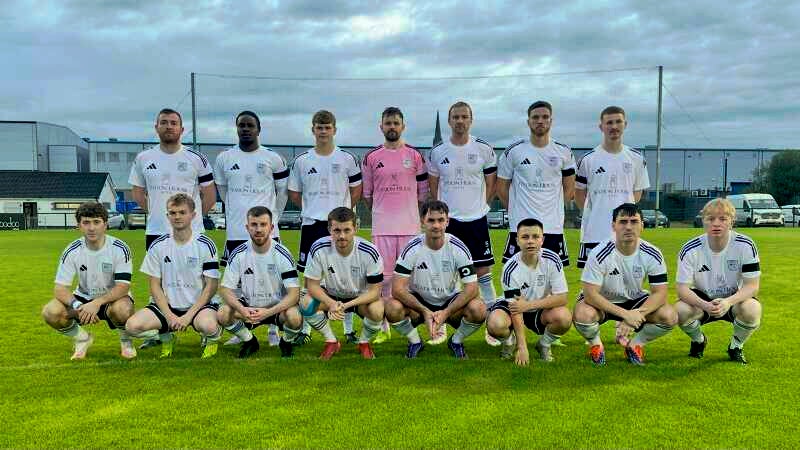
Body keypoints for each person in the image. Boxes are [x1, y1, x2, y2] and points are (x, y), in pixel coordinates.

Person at [214, 110, 290, 347]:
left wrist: (273, 217)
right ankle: (244, 332)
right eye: (241, 125)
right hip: (237, 232)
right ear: (236, 129)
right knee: (237, 285)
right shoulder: (224, 158)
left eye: (250, 125)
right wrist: (238, 214)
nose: (245, 129)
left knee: (271, 281)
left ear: (258, 129)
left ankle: (273, 329)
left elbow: (283, 192)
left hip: (267, 233)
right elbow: (224, 192)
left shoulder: (273, 158)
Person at [427, 101, 497, 345]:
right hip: (450, 223)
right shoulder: (438, 151)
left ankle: (493, 324)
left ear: (471, 119)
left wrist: (481, 207)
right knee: (446, 273)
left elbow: (492, 181)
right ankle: (441, 324)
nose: (459, 121)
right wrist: (443, 214)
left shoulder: (484, 149)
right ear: (449, 121)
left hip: (476, 221)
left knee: (483, 273)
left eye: (464, 117)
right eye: (455, 117)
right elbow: (434, 186)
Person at [288, 110, 362, 341]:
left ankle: (348, 330)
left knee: (346, 275)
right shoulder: (302, 161)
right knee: (311, 278)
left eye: (327, 127)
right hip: (312, 225)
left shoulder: (347, 159)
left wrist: (342, 214)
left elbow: (356, 189)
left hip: (339, 227)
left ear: (334, 130)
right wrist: (314, 209)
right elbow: (294, 193)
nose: (323, 131)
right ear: (313, 130)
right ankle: (308, 330)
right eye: (319, 127)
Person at [573, 203, 677, 365]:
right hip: (602, 301)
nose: (628, 227)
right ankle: (596, 345)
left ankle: (635, 345)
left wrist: (636, 315)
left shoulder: (652, 253)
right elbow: (590, 294)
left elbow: (660, 293)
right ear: (613, 226)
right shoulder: (599, 253)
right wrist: (625, 314)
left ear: (642, 226)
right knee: (582, 315)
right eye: (623, 222)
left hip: (634, 299)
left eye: (634, 221)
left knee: (669, 316)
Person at [124, 193, 222, 358]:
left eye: (182, 212)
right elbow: (154, 285)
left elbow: (211, 286)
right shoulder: (157, 245)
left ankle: (211, 340)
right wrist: (169, 316)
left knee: (209, 326)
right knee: (132, 327)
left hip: (198, 307)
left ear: (193, 215)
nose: (177, 217)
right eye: (173, 213)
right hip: (167, 307)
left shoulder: (205, 244)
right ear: (167, 216)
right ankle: (167, 337)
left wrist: (188, 316)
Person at [384, 200, 485, 359]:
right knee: (391, 307)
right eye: (431, 220)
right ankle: (415, 341)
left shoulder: (458, 247)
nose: (436, 225)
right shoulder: (412, 248)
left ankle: (456, 341)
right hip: (418, 303)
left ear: (447, 222)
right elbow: (397, 288)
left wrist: (446, 312)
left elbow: (472, 288)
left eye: (440, 220)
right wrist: (424, 311)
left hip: (450, 302)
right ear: (422, 221)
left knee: (478, 309)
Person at [361, 106, 428, 344]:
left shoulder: (416, 156)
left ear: (403, 126)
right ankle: (382, 327)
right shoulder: (371, 157)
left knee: (416, 279)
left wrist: (408, 212)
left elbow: (422, 194)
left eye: (396, 123)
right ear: (381, 127)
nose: (392, 127)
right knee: (383, 281)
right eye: (387, 123)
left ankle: (429, 325)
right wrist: (384, 212)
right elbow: (367, 195)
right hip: (383, 229)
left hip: (410, 229)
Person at [41, 202, 136, 360]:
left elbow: (123, 287)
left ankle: (126, 341)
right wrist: (78, 305)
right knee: (50, 312)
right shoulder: (72, 250)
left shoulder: (120, 248)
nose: (91, 228)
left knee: (123, 310)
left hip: (113, 298)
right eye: (86, 222)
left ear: (105, 225)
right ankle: (82, 339)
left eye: (96, 222)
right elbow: (60, 289)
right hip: (83, 299)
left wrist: (96, 303)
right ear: (79, 225)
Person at [676, 198, 761, 364]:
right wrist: (706, 305)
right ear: (703, 221)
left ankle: (736, 346)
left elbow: (752, 286)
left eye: (723, 219)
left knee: (752, 309)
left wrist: (728, 302)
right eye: (710, 219)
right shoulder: (690, 249)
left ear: (732, 222)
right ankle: (699, 340)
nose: (716, 223)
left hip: (733, 298)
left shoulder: (745, 245)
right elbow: (682, 289)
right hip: (702, 299)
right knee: (679, 310)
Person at [216, 206, 304, 358]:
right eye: (254, 225)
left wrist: (268, 312)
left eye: (263, 224)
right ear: (247, 227)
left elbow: (294, 294)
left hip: (276, 307)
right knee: (223, 313)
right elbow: (224, 289)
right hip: (249, 307)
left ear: (271, 228)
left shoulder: (282, 254)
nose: (258, 229)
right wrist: (242, 309)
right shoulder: (238, 253)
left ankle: (286, 341)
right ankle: (250, 341)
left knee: (295, 317)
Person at [497, 100, 576, 266]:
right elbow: (501, 188)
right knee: (516, 277)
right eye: (536, 117)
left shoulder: (564, 152)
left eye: (545, 117)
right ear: (528, 121)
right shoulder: (514, 151)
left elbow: (569, 189)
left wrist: (554, 210)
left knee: (552, 281)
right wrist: (515, 211)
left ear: (551, 121)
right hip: (520, 227)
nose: (540, 121)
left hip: (552, 227)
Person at [299, 207, 385, 360]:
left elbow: (375, 292)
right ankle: (331, 341)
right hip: (331, 294)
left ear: (355, 228)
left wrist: (344, 305)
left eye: (347, 230)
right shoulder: (318, 247)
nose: (342, 236)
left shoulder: (369, 251)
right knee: (306, 303)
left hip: (360, 298)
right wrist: (331, 303)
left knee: (377, 309)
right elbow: (312, 285)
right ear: (329, 229)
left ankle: (364, 342)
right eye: (336, 230)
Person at [485, 218, 571, 366]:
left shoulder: (553, 259)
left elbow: (562, 298)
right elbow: (516, 309)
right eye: (525, 237)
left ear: (542, 239)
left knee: (564, 318)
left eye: (535, 237)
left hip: (536, 307)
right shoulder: (510, 269)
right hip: (512, 308)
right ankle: (509, 342)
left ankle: (543, 344)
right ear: (517, 240)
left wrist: (529, 305)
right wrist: (522, 346)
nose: (530, 241)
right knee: (495, 324)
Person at [129, 108, 216, 251]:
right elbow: (137, 194)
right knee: (156, 274)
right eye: (164, 122)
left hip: (191, 232)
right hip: (156, 232)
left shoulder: (197, 158)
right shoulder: (143, 158)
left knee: (192, 273)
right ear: (156, 128)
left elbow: (210, 196)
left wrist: (193, 218)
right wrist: (155, 212)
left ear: (181, 129)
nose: (169, 126)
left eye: (173, 123)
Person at [574, 106, 649, 268]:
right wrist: (593, 213)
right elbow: (579, 193)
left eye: (618, 122)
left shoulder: (636, 159)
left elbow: (637, 193)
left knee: (624, 281)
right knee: (592, 284)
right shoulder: (588, 160)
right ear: (601, 126)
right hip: (594, 232)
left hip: (625, 233)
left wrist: (624, 217)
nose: (614, 126)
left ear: (625, 124)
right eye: (609, 122)